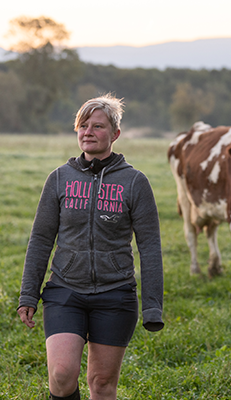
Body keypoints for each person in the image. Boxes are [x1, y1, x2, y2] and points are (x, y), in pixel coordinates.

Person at [17, 94, 164, 400]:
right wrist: (29, 293)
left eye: (97, 126)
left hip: (116, 294)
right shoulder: (59, 179)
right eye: (83, 125)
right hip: (65, 290)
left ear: (115, 134)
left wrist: (152, 305)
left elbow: (149, 246)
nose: (88, 131)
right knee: (61, 375)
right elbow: (41, 239)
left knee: (101, 384)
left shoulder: (135, 182)